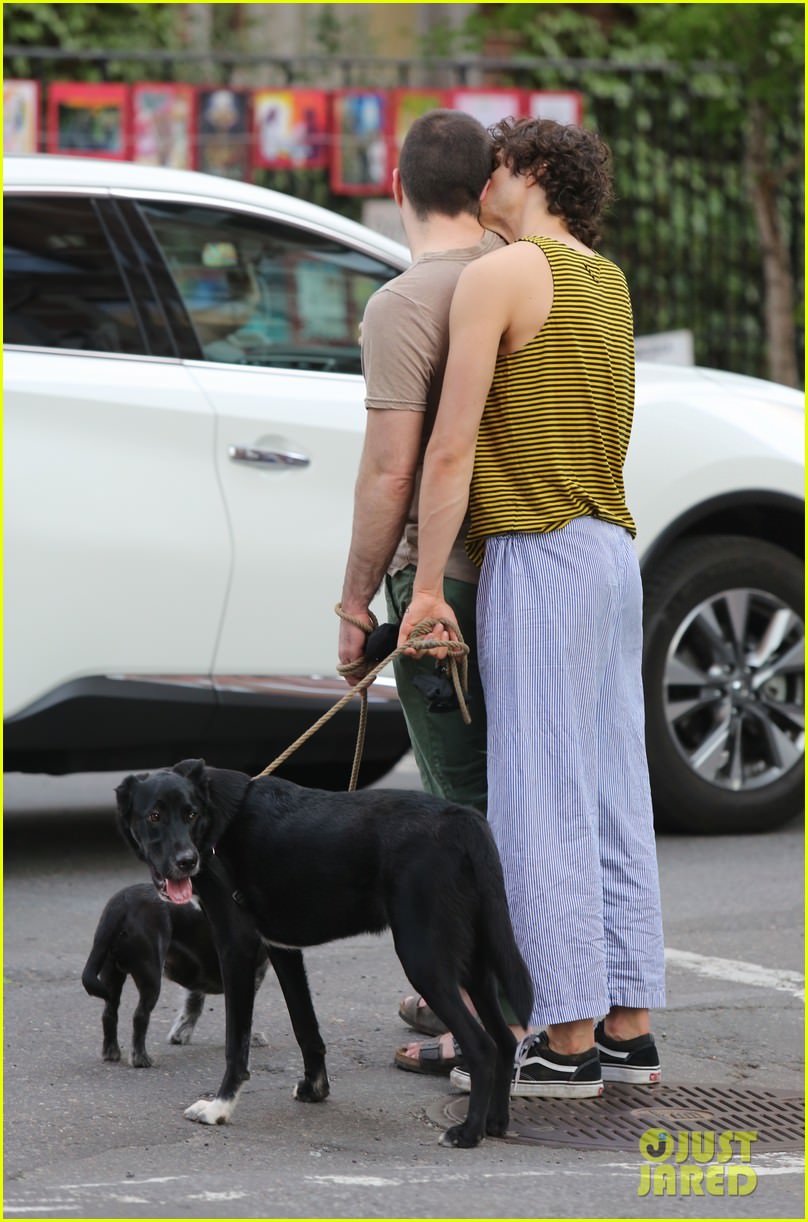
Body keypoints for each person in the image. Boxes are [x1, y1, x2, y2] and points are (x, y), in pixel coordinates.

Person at [398, 116, 666, 1098]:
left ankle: (563, 1039)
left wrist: (427, 587)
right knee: (608, 785)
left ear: (534, 173)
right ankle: (627, 1023)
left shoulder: (498, 276)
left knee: (537, 793)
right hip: (608, 549)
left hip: (539, 551)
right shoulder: (606, 279)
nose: (484, 176)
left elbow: (451, 446)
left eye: (498, 162)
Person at [337, 109, 506, 1073]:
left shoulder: (405, 305)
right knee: (513, 786)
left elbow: (391, 475)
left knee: (458, 801)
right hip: (528, 565)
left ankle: (475, 1015)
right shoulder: (533, 274)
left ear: (398, 189)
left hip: (444, 586)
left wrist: (359, 601)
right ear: (485, 190)